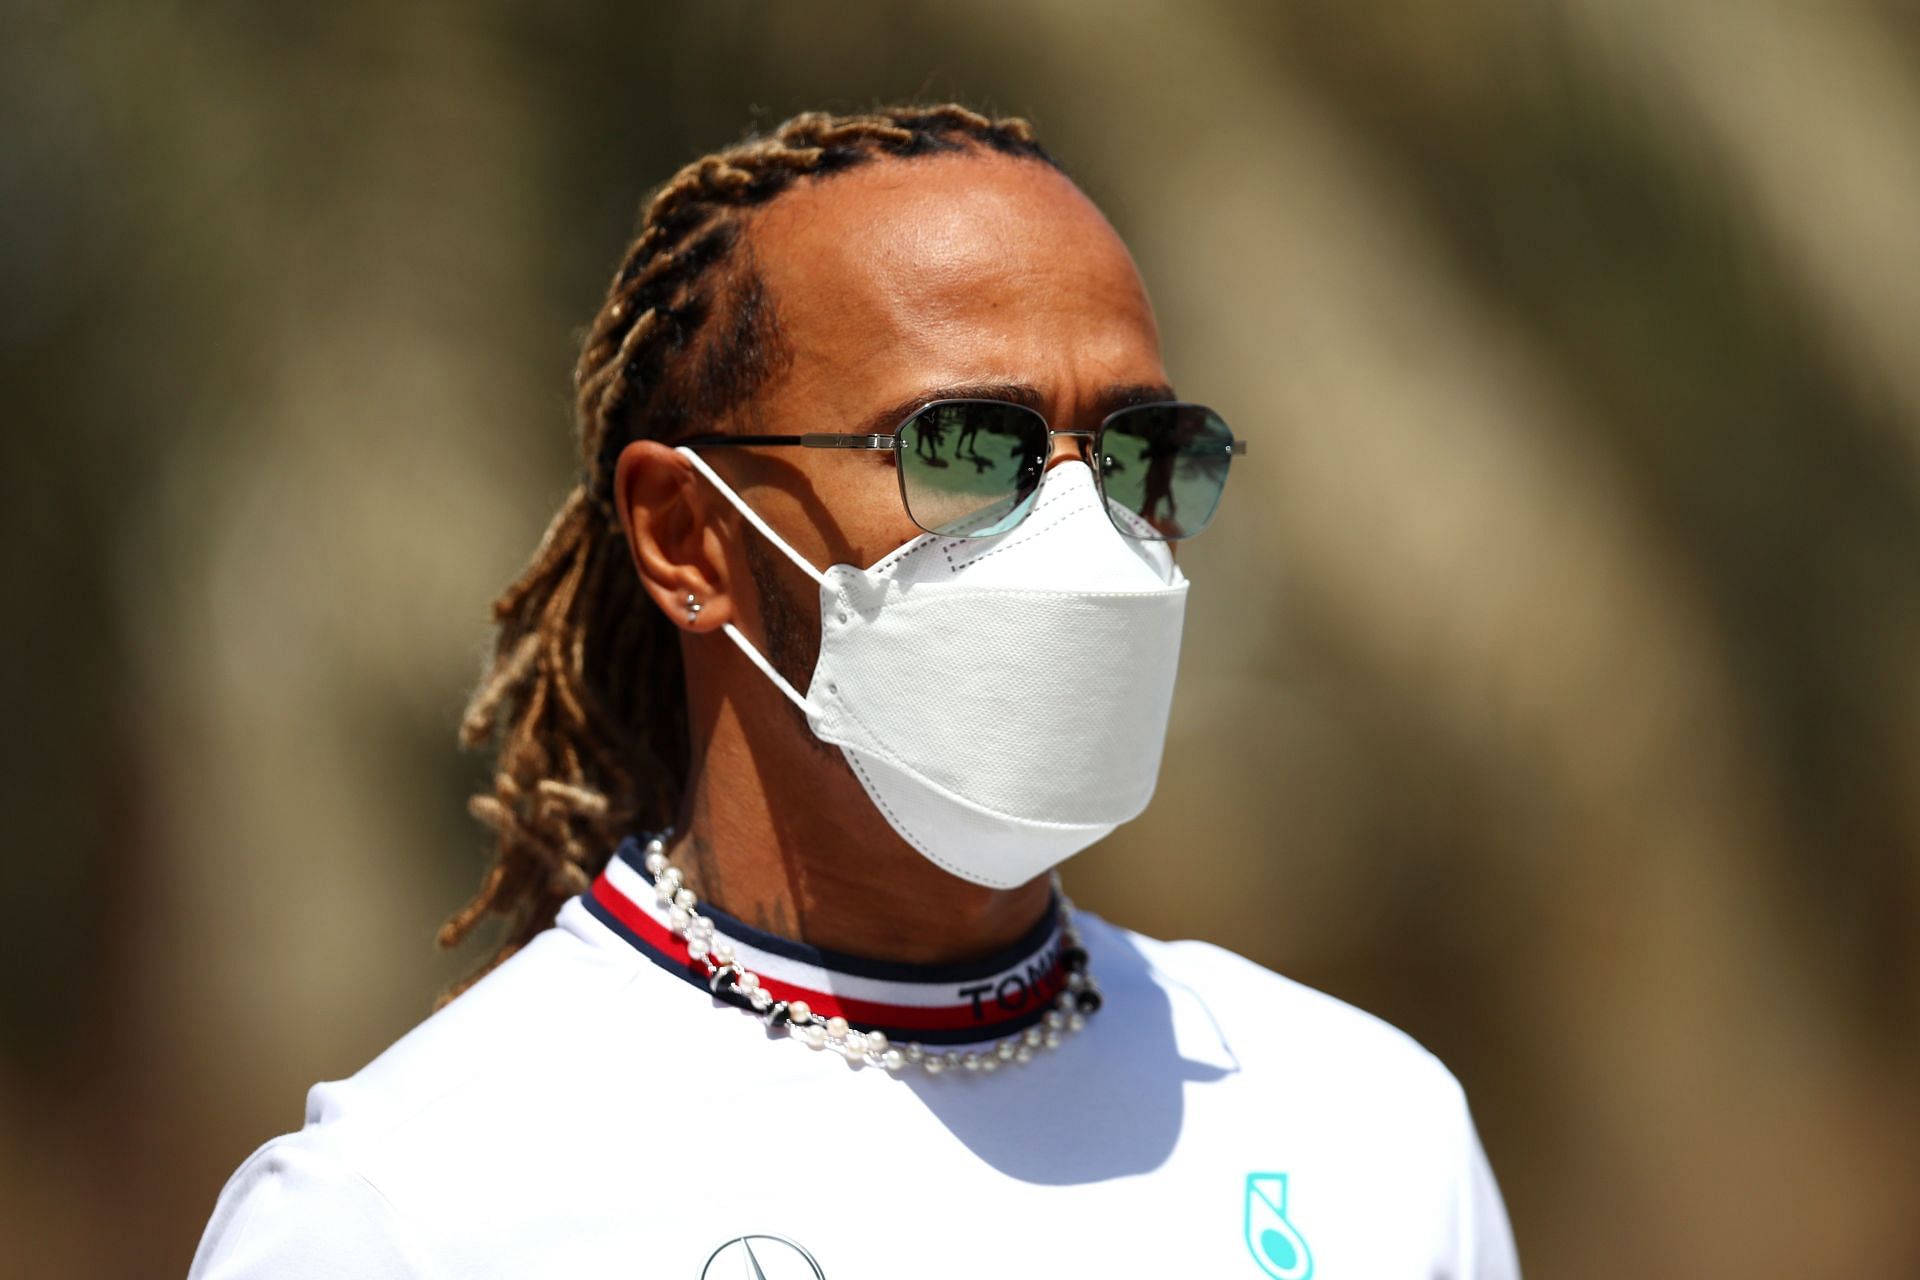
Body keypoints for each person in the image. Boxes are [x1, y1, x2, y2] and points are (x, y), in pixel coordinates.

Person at [187, 103, 1520, 1279]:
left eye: (1134, 453)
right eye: (963, 444)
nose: (1081, 526)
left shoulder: (1370, 1136)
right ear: (686, 537)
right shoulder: (415, 1216)